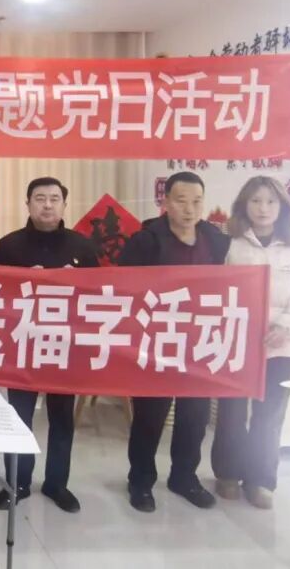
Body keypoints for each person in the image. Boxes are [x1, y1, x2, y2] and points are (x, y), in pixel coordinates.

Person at [120, 171, 229, 513]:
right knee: (150, 417)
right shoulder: (145, 241)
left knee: (194, 416)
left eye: (197, 201)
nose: (189, 209)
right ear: (165, 201)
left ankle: (184, 477)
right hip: (156, 342)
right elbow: (123, 287)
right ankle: (140, 481)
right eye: (181, 201)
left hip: (199, 342)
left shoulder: (216, 240)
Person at [0, 177, 99, 514]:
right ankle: (17, 482)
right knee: (19, 417)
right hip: (22, 345)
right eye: (40, 198)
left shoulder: (82, 247)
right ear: (28, 204)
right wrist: (22, 281)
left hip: (65, 347)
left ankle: (57, 484)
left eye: (54, 198)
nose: (47, 205)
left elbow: (100, 296)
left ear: (64, 205)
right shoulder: (9, 246)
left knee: (62, 419)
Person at [211, 176, 290, 509]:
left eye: (271, 201)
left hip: (282, 344)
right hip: (236, 342)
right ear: (243, 205)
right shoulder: (230, 243)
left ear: (283, 207)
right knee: (232, 411)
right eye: (256, 201)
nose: (263, 209)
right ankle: (227, 474)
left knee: (270, 414)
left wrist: (286, 326)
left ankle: (261, 480)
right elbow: (216, 290)